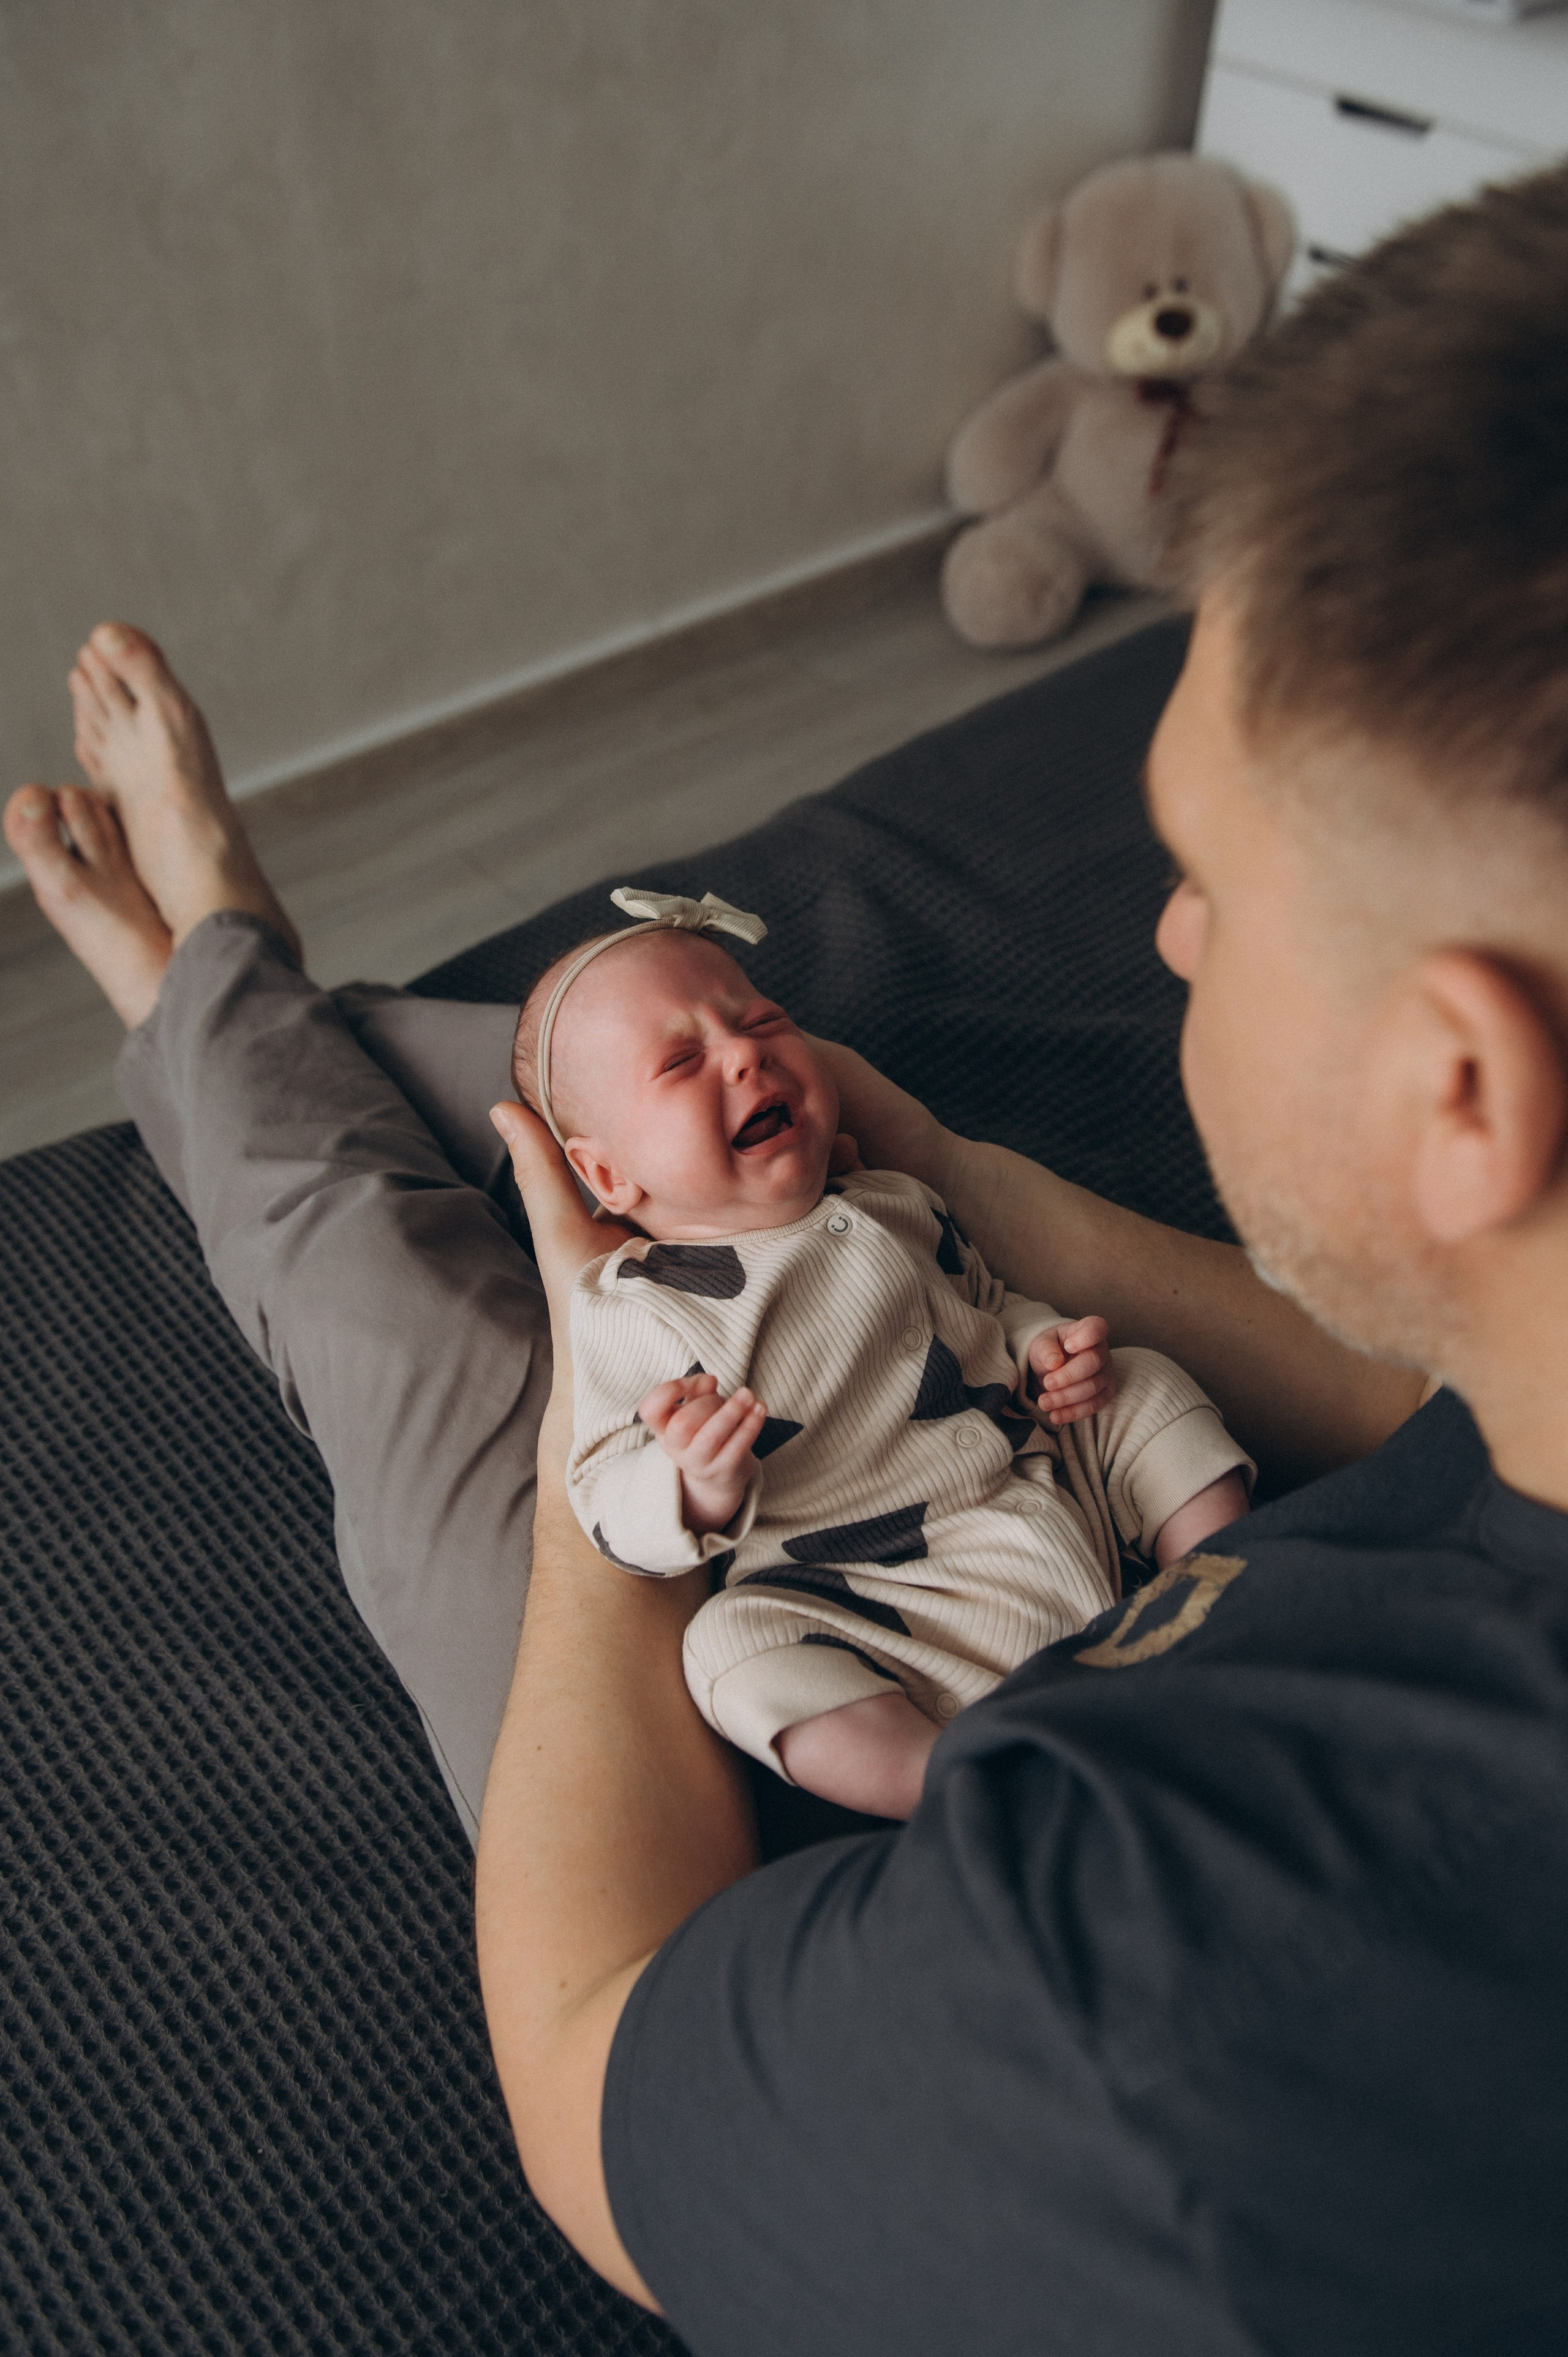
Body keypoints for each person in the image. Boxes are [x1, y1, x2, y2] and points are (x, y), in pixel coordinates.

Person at [6, 160, 1567, 2353]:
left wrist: (601, 1434)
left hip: (747, 1595)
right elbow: (1463, 1413)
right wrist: (948, 1172)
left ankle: (208, 980)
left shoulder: (1159, 2002)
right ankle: (239, 984)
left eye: (1210, 881)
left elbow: (591, 2067)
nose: (1167, 932)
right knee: (601, 1038)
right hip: (799, 1286)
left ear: (1465, 1086)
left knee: (364, 1266)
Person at [527, 892, 1250, 1816]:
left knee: (1142, 1385)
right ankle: (954, 1783)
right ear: (605, 1175)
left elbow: (983, 1301)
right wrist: (685, 1479)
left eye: (764, 1022)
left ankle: (1223, 1591)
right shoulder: (640, 1302)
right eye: (681, 1061)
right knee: (730, 1649)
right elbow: (598, 1488)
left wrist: (1040, 1349)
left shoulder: (889, 1199)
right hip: (877, 1592)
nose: (746, 1053)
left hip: (1039, 1484)